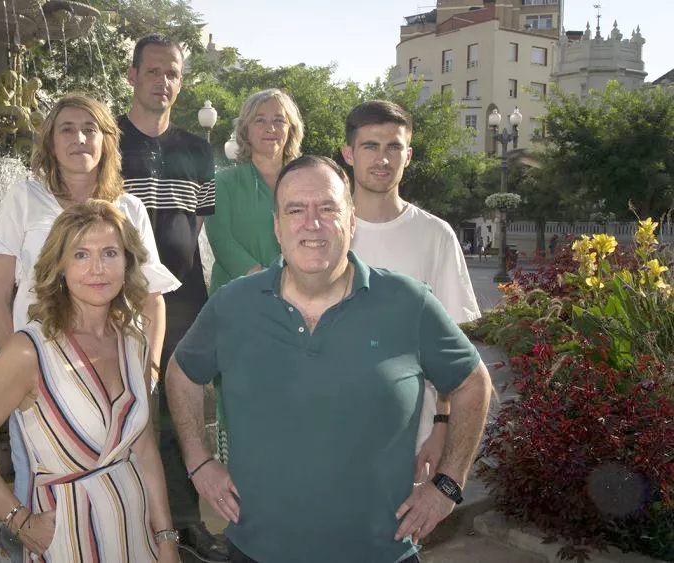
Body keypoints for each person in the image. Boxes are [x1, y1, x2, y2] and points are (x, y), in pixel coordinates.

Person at [166, 156, 493, 563]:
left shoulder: (409, 303)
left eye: (327, 208)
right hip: (256, 551)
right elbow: (181, 373)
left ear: (351, 222)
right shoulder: (233, 304)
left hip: (380, 553)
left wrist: (448, 484)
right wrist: (199, 462)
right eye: (295, 210)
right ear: (277, 227)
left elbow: (472, 382)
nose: (312, 223)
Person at [0, 93, 180, 559]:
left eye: (90, 129)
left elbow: (152, 300)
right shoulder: (26, 197)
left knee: (130, 469)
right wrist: (28, 378)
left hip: (115, 364)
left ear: (107, 140)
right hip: (42, 378)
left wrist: (150, 372)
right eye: (66, 128)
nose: (79, 138)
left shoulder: (130, 208)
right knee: (36, 486)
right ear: (49, 140)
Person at [118, 34, 225, 561]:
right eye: (154, 71)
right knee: (121, 407)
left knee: (180, 412)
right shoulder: (106, 139)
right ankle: (128, 514)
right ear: (133, 75)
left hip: (184, 302)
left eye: (173, 74)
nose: (164, 82)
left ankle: (186, 523)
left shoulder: (198, 149)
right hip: (114, 298)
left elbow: (196, 223)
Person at [341, 100, 481, 483]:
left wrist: (441, 425)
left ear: (409, 154)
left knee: (403, 537)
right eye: (370, 146)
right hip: (329, 426)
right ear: (348, 153)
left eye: (394, 147)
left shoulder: (435, 235)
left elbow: (458, 343)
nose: (382, 159)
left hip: (410, 436)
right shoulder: (322, 231)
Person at [205, 88, 304, 293]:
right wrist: (268, 283)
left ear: (291, 129)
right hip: (236, 298)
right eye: (260, 121)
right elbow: (221, 241)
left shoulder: (306, 183)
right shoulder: (222, 183)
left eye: (279, 120)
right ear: (245, 130)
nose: (270, 128)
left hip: (299, 297)